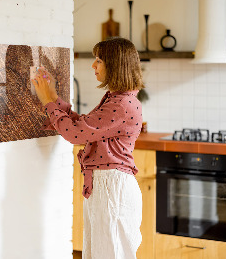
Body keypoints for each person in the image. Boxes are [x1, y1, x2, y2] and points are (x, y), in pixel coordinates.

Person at [32, 37, 144, 259]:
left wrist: (48, 102)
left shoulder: (121, 104)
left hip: (112, 188)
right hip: (107, 186)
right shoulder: (117, 99)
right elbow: (83, 126)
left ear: (115, 65)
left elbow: (75, 134)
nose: (93, 65)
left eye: (99, 60)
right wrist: (53, 97)